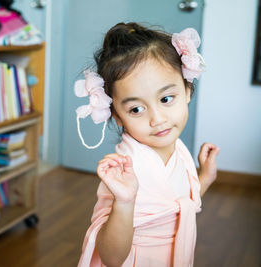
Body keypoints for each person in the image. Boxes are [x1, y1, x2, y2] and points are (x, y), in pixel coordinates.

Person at [74, 22, 220, 267]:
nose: (157, 119)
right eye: (136, 109)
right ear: (117, 116)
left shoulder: (177, 149)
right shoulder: (124, 172)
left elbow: (176, 208)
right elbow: (111, 257)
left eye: (165, 98)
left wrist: (203, 178)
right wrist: (124, 201)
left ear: (187, 90)